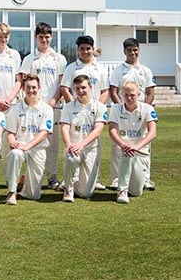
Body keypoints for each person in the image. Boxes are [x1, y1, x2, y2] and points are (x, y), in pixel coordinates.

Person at [20, 22, 67, 190]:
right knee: (30, 141)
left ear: (51, 37)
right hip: (32, 108)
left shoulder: (59, 59)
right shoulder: (29, 58)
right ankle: (30, 177)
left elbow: (62, 85)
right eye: (41, 37)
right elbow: (23, 83)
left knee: (51, 144)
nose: (44, 40)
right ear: (36, 38)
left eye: (47, 37)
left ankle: (52, 176)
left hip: (53, 107)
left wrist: (52, 103)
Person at [60, 35, 109, 191]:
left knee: (93, 144)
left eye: (88, 48)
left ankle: (95, 179)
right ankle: (69, 179)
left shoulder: (99, 68)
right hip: (75, 112)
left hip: (94, 112)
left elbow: (105, 90)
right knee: (73, 144)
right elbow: (65, 89)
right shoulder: (71, 68)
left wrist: (96, 110)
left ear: (93, 50)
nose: (85, 51)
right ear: (78, 50)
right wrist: (74, 107)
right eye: (82, 49)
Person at [109, 38, 156, 190]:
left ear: (139, 50)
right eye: (129, 50)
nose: (132, 53)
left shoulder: (146, 70)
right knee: (118, 147)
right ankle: (116, 179)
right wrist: (120, 109)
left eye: (135, 50)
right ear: (124, 52)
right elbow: (114, 91)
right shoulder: (118, 70)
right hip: (122, 112)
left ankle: (146, 178)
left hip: (140, 112)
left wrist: (143, 111)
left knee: (144, 146)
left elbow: (150, 93)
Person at [3, 75, 53, 205]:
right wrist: (12, 142)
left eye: (34, 87)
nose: (31, 90)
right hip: (20, 147)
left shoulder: (47, 109)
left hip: (37, 148)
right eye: (28, 88)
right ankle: (12, 192)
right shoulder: (15, 109)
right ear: (23, 89)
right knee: (15, 154)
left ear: (39, 88)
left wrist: (28, 146)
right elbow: (10, 133)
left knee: (33, 196)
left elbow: (44, 133)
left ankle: (23, 182)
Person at [60, 75, 108, 202]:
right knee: (70, 159)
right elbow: (64, 127)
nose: (80, 91)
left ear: (90, 87)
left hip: (91, 149)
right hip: (73, 147)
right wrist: (68, 144)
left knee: (86, 193)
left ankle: (71, 181)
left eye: (83, 88)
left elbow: (98, 130)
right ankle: (68, 189)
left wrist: (81, 145)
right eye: (77, 88)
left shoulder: (100, 107)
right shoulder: (68, 107)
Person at [108, 81, 157, 204]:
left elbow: (152, 132)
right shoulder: (115, 109)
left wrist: (136, 147)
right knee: (127, 152)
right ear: (121, 95)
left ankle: (130, 186)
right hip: (122, 151)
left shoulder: (147, 108)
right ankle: (122, 190)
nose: (129, 98)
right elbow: (112, 131)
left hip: (140, 154)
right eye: (126, 95)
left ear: (139, 94)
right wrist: (124, 145)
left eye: (132, 95)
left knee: (136, 192)